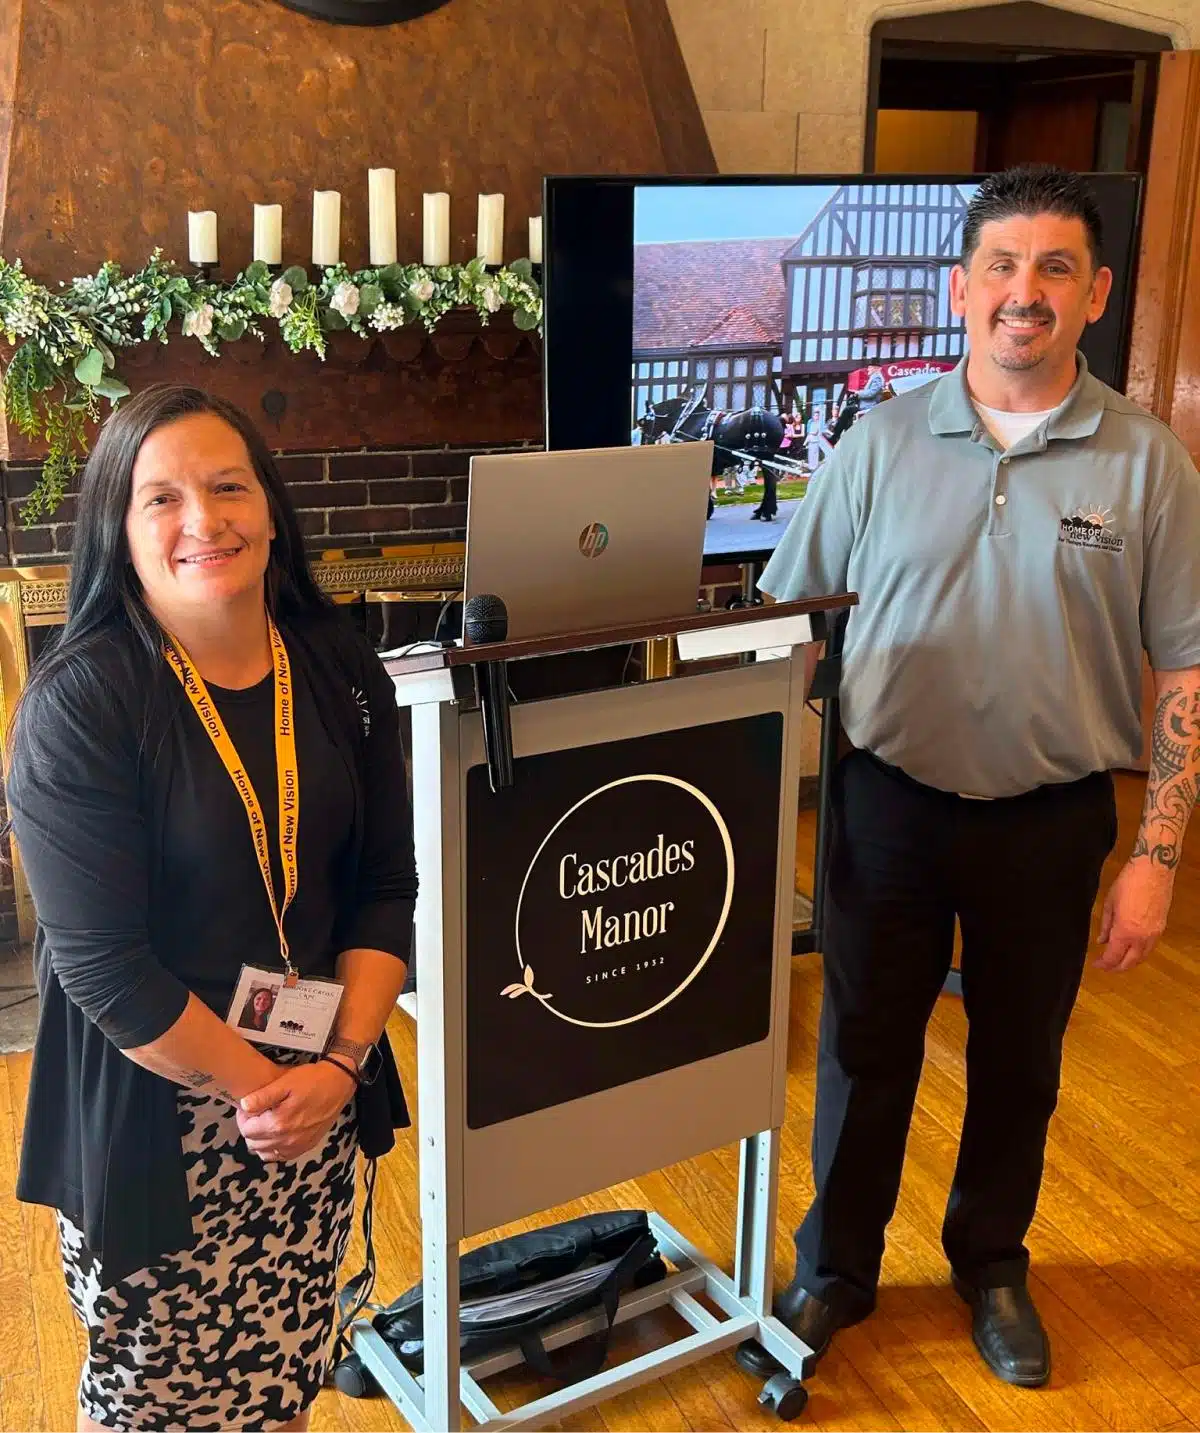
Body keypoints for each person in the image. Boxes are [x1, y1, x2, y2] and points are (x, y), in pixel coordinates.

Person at [747, 165, 1200, 1387]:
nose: (1025, 292)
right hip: (885, 802)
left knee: (1021, 1058)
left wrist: (1155, 855)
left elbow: (1185, 671)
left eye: (1056, 267)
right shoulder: (880, 441)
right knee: (862, 1049)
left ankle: (991, 1260)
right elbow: (783, 627)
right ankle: (832, 1269)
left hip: (1052, 822)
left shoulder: (1149, 464)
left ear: (1098, 292)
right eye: (1002, 265)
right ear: (959, 288)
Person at [5, 385, 419, 1431]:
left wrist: (339, 1064)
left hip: (313, 1085)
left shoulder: (336, 665)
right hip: (170, 1118)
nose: (205, 519)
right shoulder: (82, 704)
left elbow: (385, 886)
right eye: (163, 498)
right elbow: (108, 975)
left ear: (272, 509)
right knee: (154, 1398)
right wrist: (274, 1090)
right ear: (120, 530)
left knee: (283, 1372)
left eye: (229, 485)